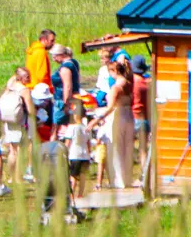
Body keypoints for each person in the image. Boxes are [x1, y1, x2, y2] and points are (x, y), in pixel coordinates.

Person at [92, 58, 135, 188]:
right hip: (129, 115)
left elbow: (110, 107)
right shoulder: (129, 84)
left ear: (114, 71)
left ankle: (118, 181)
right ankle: (127, 179)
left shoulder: (116, 88)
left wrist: (96, 120)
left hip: (118, 116)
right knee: (127, 148)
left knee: (116, 149)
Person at [0, 66, 36, 189]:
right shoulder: (24, 90)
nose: (29, 78)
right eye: (27, 76)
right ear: (21, 78)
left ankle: (11, 177)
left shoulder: (10, 86)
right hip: (21, 122)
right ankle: (18, 177)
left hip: (9, 121)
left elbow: (12, 78)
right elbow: (30, 109)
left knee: (12, 150)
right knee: (21, 150)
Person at [59, 105, 93, 203]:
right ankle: (80, 194)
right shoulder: (86, 128)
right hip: (85, 155)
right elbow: (88, 143)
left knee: (73, 176)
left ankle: (71, 195)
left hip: (74, 154)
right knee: (82, 175)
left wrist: (64, 152)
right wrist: (89, 152)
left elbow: (68, 143)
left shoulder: (71, 128)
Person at [50, 43, 81, 132]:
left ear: (61, 55)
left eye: (54, 57)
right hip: (75, 97)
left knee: (55, 128)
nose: (53, 59)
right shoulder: (73, 62)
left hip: (63, 100)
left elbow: (67, 87)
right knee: (71, 126)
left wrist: (66, 104)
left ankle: (54, 140)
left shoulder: (65, 68)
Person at [131, 58, 152, 179]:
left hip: (134, 117)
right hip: (146, 119)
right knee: (143, 149)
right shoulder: (147, 83)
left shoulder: (133, 83)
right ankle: (144, 175)